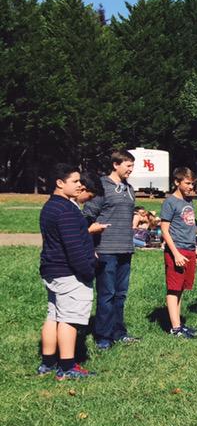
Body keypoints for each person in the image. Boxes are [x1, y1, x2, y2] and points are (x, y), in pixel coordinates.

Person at [39, 165, 97, 380]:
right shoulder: (67, 210)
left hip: (52, 269)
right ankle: (67, 366)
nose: (80, 185)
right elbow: (74, 248)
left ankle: (47, 363)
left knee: (53, 315)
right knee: (69, 319)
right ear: (59, 183)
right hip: (69, 272)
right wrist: (88, 270)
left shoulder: (50, 207)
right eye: (75, 181)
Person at [83, 149, 139, 350]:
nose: (131, 170)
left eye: (132, 166)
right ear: (116, 165)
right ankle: (103, 336)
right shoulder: (102, 186)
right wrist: (91, 246)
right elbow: (87, 217)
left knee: (120, 294)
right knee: (106, 294)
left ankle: (119, 332)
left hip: (125, 248)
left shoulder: (129, 189)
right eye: (128, 165)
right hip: (106, 249)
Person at [159, 167, 197, 339]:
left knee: (181, 289)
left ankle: (178, 324)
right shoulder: (170, 202)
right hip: (177, 250)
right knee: (173, 288)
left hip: (189, 249)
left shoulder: (188, 201)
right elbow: (164, 230)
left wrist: (195, 247)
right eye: (187, 183)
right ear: (177, 182)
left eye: (192, 183)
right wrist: (176, 253)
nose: (191, 186)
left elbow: (189, 226)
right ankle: (175, 328)